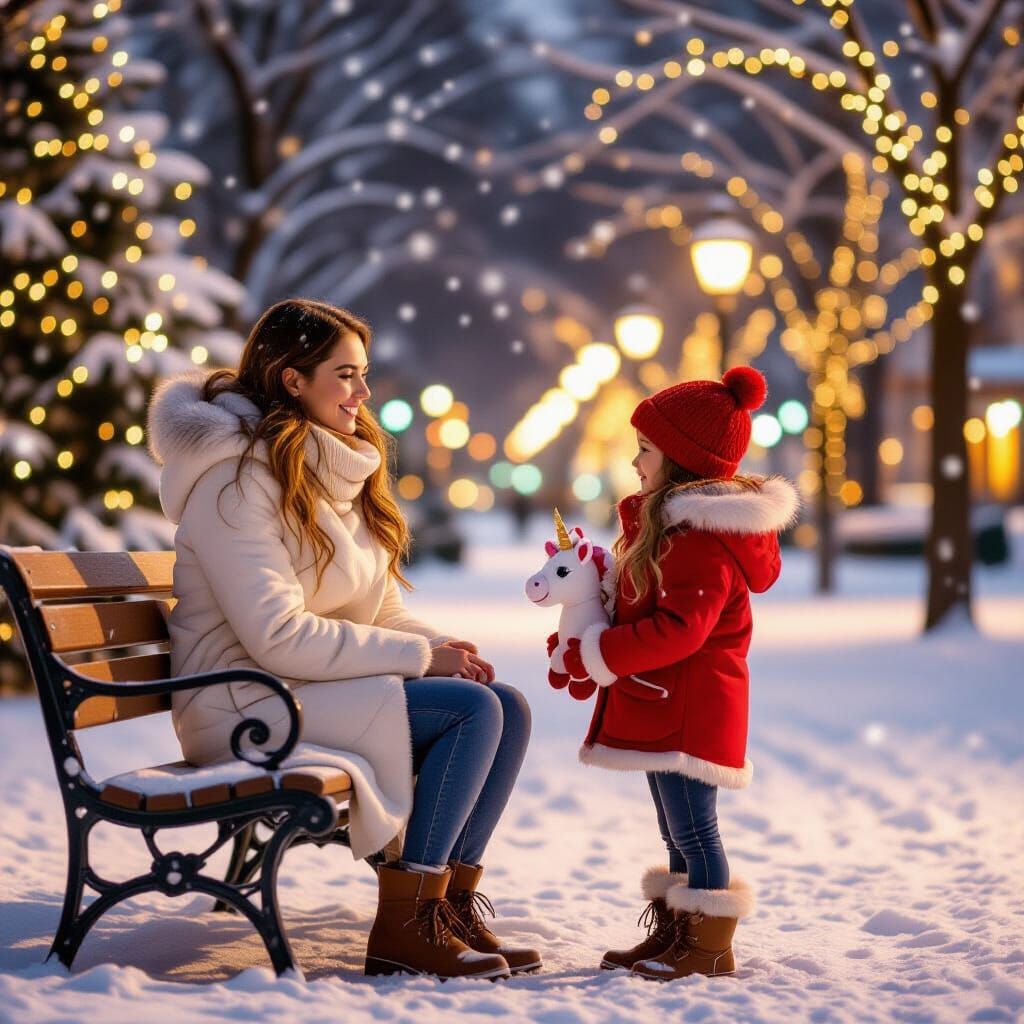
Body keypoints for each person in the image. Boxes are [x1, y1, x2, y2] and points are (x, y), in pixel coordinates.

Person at [146, 298, 539, 980]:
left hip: (296, 690)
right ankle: (407, 923)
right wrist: (421, 660)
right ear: (293, 379)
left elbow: (378, 608)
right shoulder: (235, 485)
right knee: (471, 712)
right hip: (241, 704)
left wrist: (441, 647)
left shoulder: (323, 471)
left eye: (364, 374)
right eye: (346, 374)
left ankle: (445, 906)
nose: (363, 392)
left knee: (506, 703)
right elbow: (275, 635)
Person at [562, 366, 798, 981]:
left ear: (682, 459)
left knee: (695, 828)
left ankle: (707, 946)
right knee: (675, 829)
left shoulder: (698, 538)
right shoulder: (672, 529)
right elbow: (651, 606)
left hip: (693, 707)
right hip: (667, 700)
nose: (635, 460)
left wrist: (601, 651)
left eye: (645, 448)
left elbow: (681, 629)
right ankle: (676, 930)